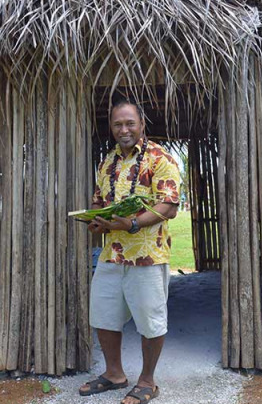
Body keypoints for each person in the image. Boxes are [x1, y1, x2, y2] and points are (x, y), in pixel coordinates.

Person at [78, 98, 180, 404]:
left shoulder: (160, 158)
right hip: (112, 254)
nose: (124, 129)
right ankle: (114, 374)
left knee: (151, 320)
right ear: (111, 127)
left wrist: (132, 224)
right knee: (104, 315)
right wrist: (97, 219)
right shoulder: (109, 162)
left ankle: (148, 381)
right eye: (118, 124)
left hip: (147, 256)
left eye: (129, 123)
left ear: (141, 124)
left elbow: (169, 205)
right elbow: (98, 199)